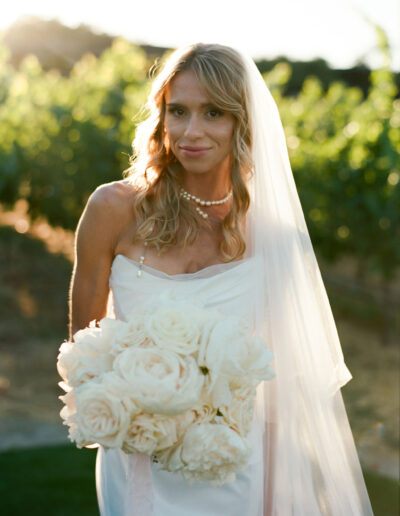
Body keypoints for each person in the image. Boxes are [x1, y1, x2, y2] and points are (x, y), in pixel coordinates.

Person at [68, 43, 373, 515]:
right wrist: (133, 413)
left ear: (243, 122)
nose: (191, 132)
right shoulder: (113, 210)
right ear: (161, 117)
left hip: (231, 458)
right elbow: (82, 350)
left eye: (214, 113)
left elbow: (279, 382)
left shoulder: (275, 237)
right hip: (138, 453)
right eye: (178, 111)